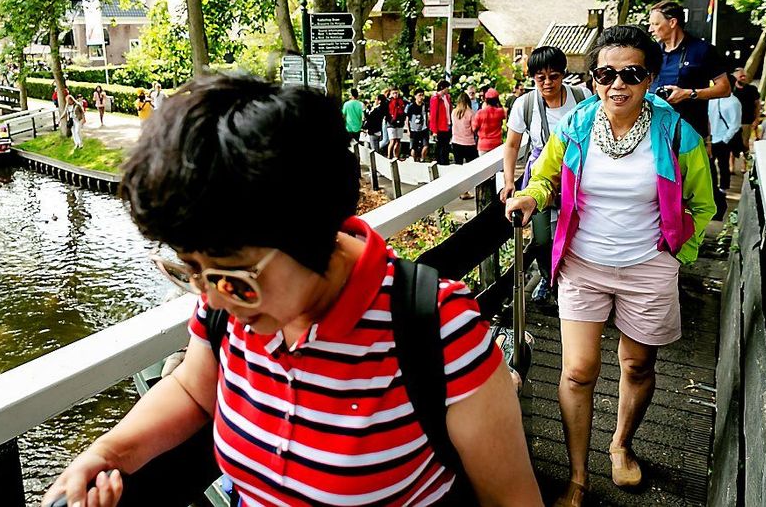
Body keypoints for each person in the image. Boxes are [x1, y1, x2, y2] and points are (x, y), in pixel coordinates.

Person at [42, 74, 542, 507]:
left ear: (309, 233)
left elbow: (510, 498)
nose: (210, 298)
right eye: (188, 269)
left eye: (229, 278)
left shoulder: (436, 330)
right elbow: (194, 390)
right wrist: (109, 452)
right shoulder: (228, 300)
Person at [505, 25, 715, 507]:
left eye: (631, 73)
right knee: (578, 370)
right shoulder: (576, 125)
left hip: (649, 266)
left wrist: (676, 254)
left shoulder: (676, 133)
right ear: (594, 77)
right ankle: (578, 478)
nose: (617, 84)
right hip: (584, 264)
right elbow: (545, 178)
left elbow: (702, 205)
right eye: (605, 74)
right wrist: (531, 197)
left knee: (637, 365)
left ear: (649, 77)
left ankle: (621, 444)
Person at [501, 46, 591, 308]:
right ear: (533, 78)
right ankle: (546, 277)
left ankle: (573, 282)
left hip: (576, 173)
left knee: (577, 230)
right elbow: (512, 145)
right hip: (541, 175)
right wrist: (509, 182)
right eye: (541, 77)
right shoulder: (525, 105)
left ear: (563, 74)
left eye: (554, 76)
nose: (548, 83)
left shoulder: (581, 97)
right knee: (541, 236)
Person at [647, 0, 731, 140]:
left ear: (672, 22)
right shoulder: (651, 52)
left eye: (655, 24)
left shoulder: (703, 49)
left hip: (691, 134)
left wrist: (688, 94)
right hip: (656, 133)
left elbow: (725, 88)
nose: (650, 29)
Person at [707, 93, 742, 192]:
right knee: (711, 164)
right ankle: (714, 187)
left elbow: (735, 124)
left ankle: (723, 188)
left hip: (722, 138)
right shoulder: (712, 99)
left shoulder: (733, 102)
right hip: (712, 138)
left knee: (723, 165)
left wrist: (725, 139)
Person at [730, 68, 760, 166]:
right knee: (731, 144)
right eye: (741, 76)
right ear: (735, 77)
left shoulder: (752, 89)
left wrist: (756, 119)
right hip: (732, 122)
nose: (743, 78)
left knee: (745, 144)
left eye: (744, 76)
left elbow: (757, 105)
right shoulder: (731, 90)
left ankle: (745, 165)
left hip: (746, 121)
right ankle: (731, 165)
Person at [471, 88, 506, 155]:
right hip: (497, 144)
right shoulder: (500, 112)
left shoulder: (480, 113)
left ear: (486, 100)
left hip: (483, 144)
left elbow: (474, 128)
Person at [429, 81, 454, 165]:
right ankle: (440, 162)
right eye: (447, 87)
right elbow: (433, 115)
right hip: (440, 126)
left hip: (447, 125)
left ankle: (445, 161)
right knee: (441, 146)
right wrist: (434, 130)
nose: (448, 89)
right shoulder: (435, 98)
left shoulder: (447, 97)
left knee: (446, 146)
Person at [451, 91, 478, 165]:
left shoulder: (454, 112)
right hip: (468, 143)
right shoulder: (471, 113)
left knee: (458, 164)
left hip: (456, 141)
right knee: (471, 165)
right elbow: (474, 128)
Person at [406, 88, 430, 161]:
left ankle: (422, 158)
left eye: (422, 95)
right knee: (414, 147)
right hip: (414, 129)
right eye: (419, 95)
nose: (421, 97)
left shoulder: (425, 106)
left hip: (424, 128)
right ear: (415, 96)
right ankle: (414, 160)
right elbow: (407, 119)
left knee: (426, 145)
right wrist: (408, 130)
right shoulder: (411, 107)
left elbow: (428, 116)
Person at [385, 87, 406, 159]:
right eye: (393, 93)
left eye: (396, 93)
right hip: (391, 123)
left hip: (400, 122)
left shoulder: (401, 101)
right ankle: (389, 156)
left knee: (398, 141)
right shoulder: (388, 102)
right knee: (392, 140)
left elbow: (404, 110)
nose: (395, 94)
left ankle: (396, 156)